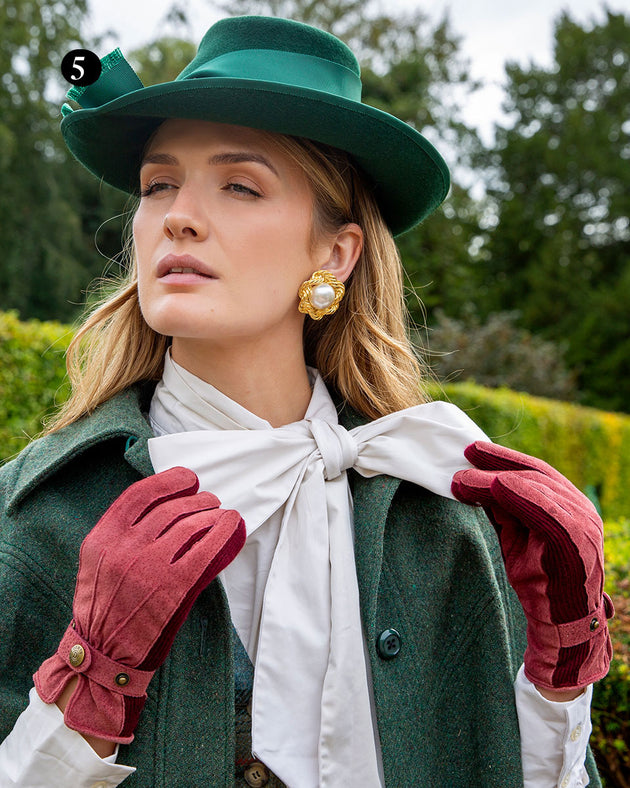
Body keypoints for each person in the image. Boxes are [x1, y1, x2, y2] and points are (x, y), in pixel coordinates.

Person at [0, 15, 613, 788]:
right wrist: (82, 697)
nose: (178, 215)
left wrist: (561, 678)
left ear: (335, 253)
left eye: (240, 185)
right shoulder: (30, 521)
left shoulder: (446, 520)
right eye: (160, 184)